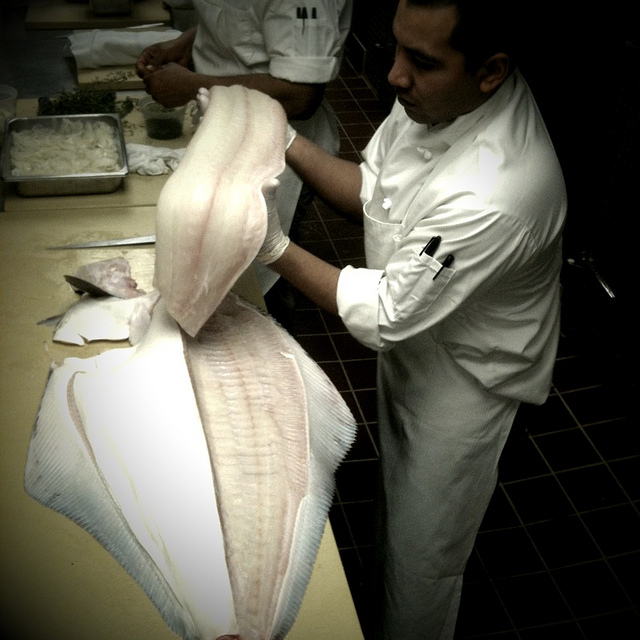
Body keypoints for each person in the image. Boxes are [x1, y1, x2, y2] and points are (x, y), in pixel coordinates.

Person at [254, 0, 567, 637]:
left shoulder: (497, 192)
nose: (394, 76)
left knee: (423, 557)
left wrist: (273, 248)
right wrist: (281, 138)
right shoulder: (436, 94)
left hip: (468, 381)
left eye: (419, 61)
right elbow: (375, 191)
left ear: (491, 71)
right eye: (397, 49)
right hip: (417, 343)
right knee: (392, 505)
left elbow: (390, 312)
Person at [136, 0, 353, 299]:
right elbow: (247, 19)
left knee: (258, 283)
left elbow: (301, 95)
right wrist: (189, 42)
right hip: (223, 132)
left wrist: (194, 86)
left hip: (277, 155)